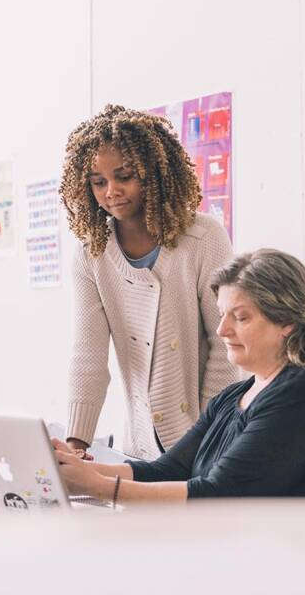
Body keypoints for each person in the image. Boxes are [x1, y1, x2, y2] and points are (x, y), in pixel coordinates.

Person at [54, 249, 305, 500]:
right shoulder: (232, 398)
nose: (222, 329)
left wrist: (96, 486)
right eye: (223, 314)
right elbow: (167, 470)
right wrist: (80, 469)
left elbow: (219, 495)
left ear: (287, 322)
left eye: (240, 317)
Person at [61, 104, 239, 460]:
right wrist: (76, 443)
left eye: (124, 176)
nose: (111, 191)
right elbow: (88, 357)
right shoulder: (90, 256)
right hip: (141, 445)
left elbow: (224, 346)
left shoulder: (204, 238)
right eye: (98, 182)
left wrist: (208, 434)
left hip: (209, 440)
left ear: (153, 172)